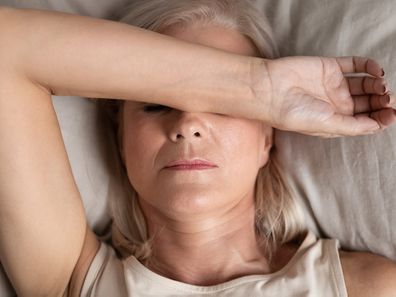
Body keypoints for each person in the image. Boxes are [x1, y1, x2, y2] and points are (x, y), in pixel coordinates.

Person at [0, 1, 395, 297]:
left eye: (226, 107)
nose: (187, 126)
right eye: (155, 104)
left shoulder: (365, 288)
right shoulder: (73, 280)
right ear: (120, 137)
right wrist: (255, 88)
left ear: (268, 137)